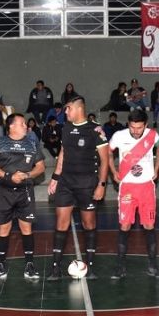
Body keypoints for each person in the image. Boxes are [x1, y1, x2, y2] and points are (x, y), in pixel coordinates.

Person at [47, 95, 109, 280]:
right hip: (66, 183)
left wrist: (102, 185)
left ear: (78, 108)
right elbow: (63, 154)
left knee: (88, 224)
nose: (65, 112)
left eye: (68, 108)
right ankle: (56, 268)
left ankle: (90, 267)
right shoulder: (65, 128)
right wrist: (55, 178)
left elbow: (105, 161)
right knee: (61, 224)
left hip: (87, 184)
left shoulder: (95, 130)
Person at [0, 113, 47, 280]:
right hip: (4, 191)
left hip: (25, 192)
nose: (26, 126)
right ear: (11, 126)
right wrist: (8, 176)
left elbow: (41, 167)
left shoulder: (33, 143)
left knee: (26, 228)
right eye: (22, 123)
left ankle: (29, 264)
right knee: (3, 229)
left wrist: (28, 175)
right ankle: (0, 264)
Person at [108, 109, 159, 279]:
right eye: (132, 127)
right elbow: (107, 152)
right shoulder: (119, 136)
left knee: (149, 225)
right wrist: (113, 172)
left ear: (145, 125)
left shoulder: (153, 135)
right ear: (128, 124)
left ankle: (153, 266)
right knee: (124, 225)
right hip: (127, 187)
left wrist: (156, 169)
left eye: (139, 128)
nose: (135, 131)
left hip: (146, 188)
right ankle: (120, 267)